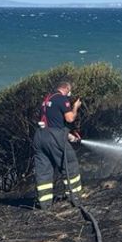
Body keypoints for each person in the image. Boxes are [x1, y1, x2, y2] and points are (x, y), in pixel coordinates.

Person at [32, 77, 83, 209]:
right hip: (53, 137)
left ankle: (45, 204)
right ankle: (75, 199)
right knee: (70, 163)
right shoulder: (61, 99)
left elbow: (52, 120)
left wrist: (69, 135)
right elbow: (70, 118)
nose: (69, 94)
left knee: (43, 171)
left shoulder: (47, 99)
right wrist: (75, 107)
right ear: (65, 88)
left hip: (40, 136)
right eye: (69, 91)